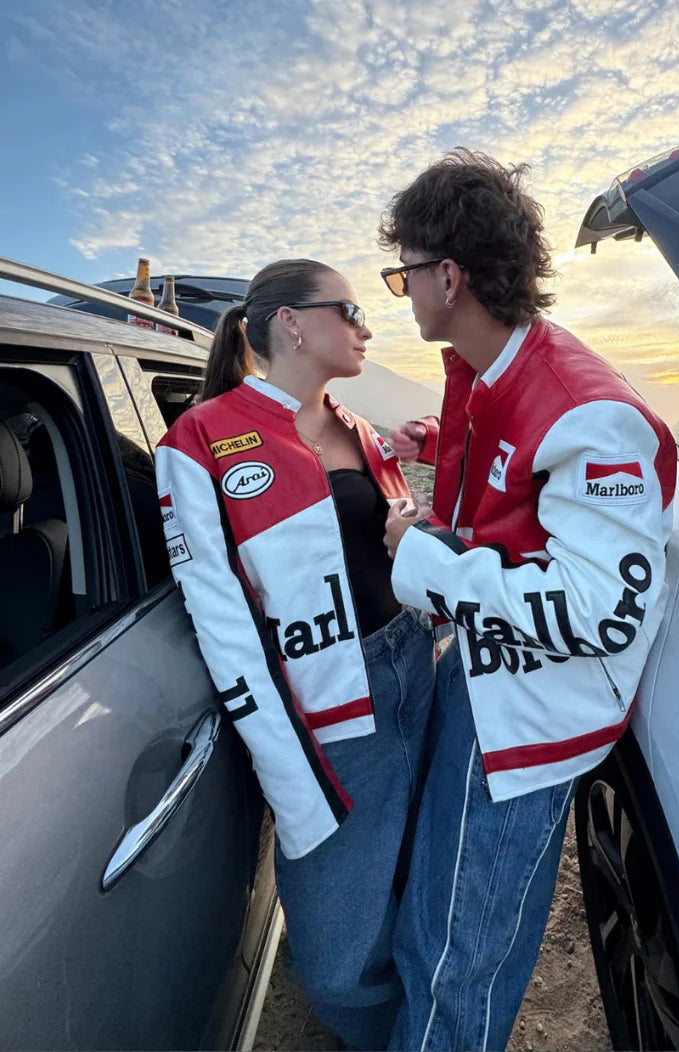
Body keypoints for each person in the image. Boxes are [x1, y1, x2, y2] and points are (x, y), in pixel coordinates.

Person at [378, 150, 677, 1052]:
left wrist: (421, 560)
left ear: (448, 276)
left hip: (524, 709)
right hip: (491, 670)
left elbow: (602, 610)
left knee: (454, 957)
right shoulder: (493, 367)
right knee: (448, 931)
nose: (401, 292)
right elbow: (515, 480)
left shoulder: (587, 411)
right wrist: (433, 443)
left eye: (403, 273)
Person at [154, 259, 435, 1051]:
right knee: (339, 956)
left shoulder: (356, 425)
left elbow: (385, 541)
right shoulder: (199, 439)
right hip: (329, 704)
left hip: (415, 663)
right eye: (350, 310)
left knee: (414, 868)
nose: (367, 326)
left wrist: (416, 513)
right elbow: (219, 616)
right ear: (290, 323)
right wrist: (283, 758)